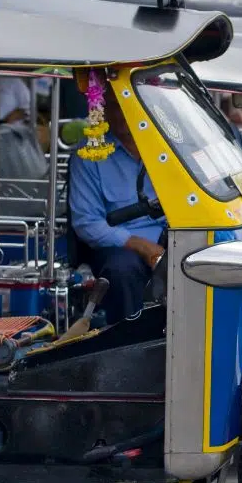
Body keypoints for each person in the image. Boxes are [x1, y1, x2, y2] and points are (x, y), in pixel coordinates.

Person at [69, 70, 166, 324]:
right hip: (120, 249)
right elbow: (87, 223)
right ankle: (129, 346)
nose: (122, 113)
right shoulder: (88, 155)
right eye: (113, 105)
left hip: (171, 239)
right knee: (121, 271)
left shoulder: (168, 148)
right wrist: (140, 246)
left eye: (128, 105)